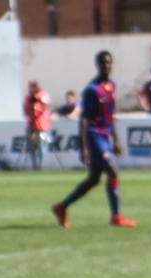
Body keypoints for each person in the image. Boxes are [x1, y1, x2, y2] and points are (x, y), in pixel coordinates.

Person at [52, 51, 135, 230]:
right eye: (103, 63)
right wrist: (84, 148)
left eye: (109, 63)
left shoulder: (112, 86)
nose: (107, 66)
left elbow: (111, 115)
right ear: (98, 65)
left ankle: (62, 206)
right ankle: (116, 216)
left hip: (105, 136)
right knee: (112, 171)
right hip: (94, 135)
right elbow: (84, 119)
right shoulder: (92, 89)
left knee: (93, 180)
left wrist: (117, 140)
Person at [24, 80, 52, 169]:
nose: (32, 88)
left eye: (34, 86)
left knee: (41, 145)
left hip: (42, 126)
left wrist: (37, 99)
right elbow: (26, 110)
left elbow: (45, 106)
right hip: (32, 125)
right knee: (32, 145)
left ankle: (41, 165)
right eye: (31, 86)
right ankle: (34, 165)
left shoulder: (43, 95)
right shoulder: (28, 98)